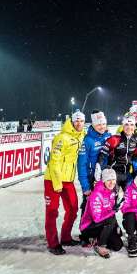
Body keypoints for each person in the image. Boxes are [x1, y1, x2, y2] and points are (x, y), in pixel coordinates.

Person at [43, 111, 86, 255]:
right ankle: (53, 243)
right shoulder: (62, 138)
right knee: (52, 212)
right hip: (53, 180)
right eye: (77, 121)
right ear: (72, 122)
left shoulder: (80, 136)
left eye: (81, 121)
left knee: (73, 209)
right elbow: (54, 161)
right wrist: (57, 183)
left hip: (68, 181)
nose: (79, 123)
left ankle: (66, 237)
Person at [79, 169, 123, 259]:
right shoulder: (96, 194)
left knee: (117, 245)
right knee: (110, 220)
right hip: (89, 227)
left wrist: (117, 226)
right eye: (108, 180)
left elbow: (110, 213)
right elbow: (97, 218)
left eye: (113, 180)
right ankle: (100, 246)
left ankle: (97, 239)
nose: (111, 183)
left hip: (101, 225)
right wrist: (112, 211)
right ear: (103, 181)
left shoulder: (112, 192)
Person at [77, 111, 111, 216]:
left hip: (105, 178)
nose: (101, 127)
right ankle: (85, 230)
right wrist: (85, 186)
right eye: (98, 124)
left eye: (103, 124)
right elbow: (82, 165)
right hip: (91, 179)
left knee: (104, 205)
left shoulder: (109, 136)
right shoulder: (87, 140)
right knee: (88, 206)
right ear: (93, 125)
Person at [96, 116, 137, 193]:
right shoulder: (115, 139)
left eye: (131, 125)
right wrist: (99, 166)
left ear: (134, 126)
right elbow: (103, 153)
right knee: (113, 199)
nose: (129, 127)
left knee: (129, 197)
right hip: (114, 174)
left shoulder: (135, 140)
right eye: (126, 125)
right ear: (123, 126)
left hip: (127, 174)